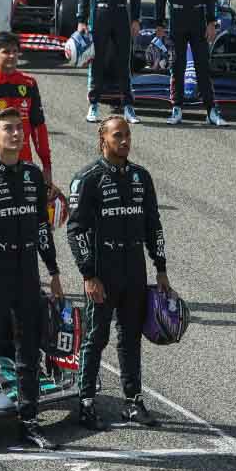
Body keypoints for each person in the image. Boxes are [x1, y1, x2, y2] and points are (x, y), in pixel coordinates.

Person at [0, 106, 64, 457]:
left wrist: (53, 272)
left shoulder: (34, 176)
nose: (17, 134)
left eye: (20, 128)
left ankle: (29, 423)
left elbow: (42, 227)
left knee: (29, 350)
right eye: (9, 129)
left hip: (27, 269)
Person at [68, 115, 170, 431]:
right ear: (104, 139)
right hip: (103, 270)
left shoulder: (142, 177)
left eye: (127, 135)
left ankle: (133, 402)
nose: (124, 141)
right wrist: (88, 275)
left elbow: (154, 225)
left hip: (135, 269)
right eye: (117, 136)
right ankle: (85, 403)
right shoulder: (87, 178)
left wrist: (161, 268)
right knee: (95, 338)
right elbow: (75, 231)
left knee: (131, 339)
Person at [0, 31, 54, 194]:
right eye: (6, 51)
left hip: (24, 164)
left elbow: (38, 127)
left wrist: (46, 165)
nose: (12, 56)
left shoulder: (29, 84)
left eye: (15, 51)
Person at [155, 0, 226, 127]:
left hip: (198, 20)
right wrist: (159, 23)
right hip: (176, 20)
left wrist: (211, 22)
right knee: (177, 66)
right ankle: (176, 108)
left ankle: (211, 111)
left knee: (203, 67)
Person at [77, 0, 141, 125]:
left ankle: (129, 107)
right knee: (97, 61)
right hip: (100, 15)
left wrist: (136, 19)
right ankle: (93, 105)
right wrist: (81, 20)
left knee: (124, 62)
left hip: (122, 14)